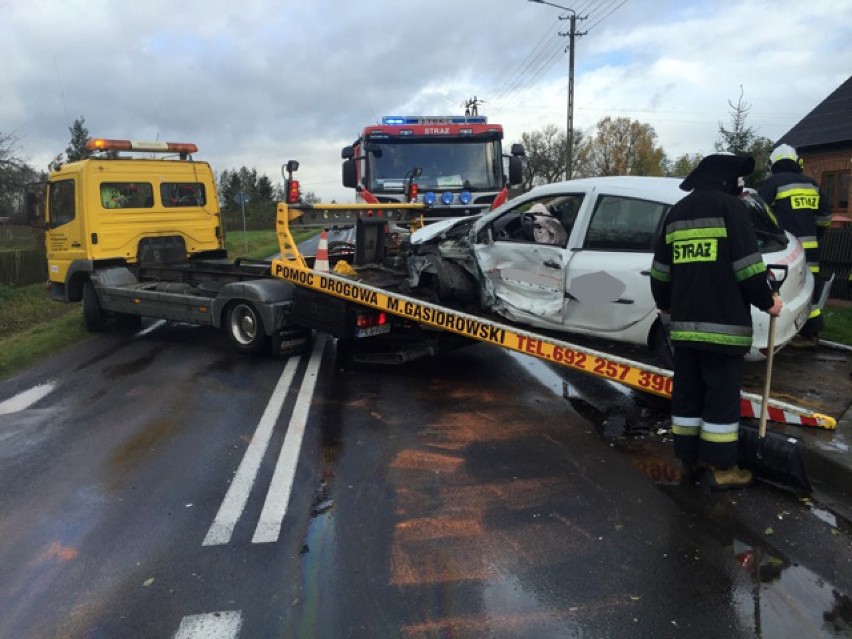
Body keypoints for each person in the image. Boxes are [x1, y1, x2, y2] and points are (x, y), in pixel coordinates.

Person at [651, 153, 783, 490]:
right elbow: (748, 268)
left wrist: (665, 305)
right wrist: (768, 301)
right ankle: (721, 468)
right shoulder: (731, 209)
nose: (741, 189)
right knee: (720, 398)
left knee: (688, 395)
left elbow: (660, 271)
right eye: (738, 182)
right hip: (724, 330)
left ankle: (689, 460)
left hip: (684, 328)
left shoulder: (677, 212)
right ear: (727, 180)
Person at [758, 144, 833, 347]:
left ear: (774, 164)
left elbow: (758, 213)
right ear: (796, 162)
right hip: (811, 249)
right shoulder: (812, 184)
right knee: (808, 291)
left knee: (789, 293)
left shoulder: (773, 183)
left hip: (785, 250)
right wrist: (816, 233)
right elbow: (826, 216)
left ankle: (793, 333)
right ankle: (810, 331)